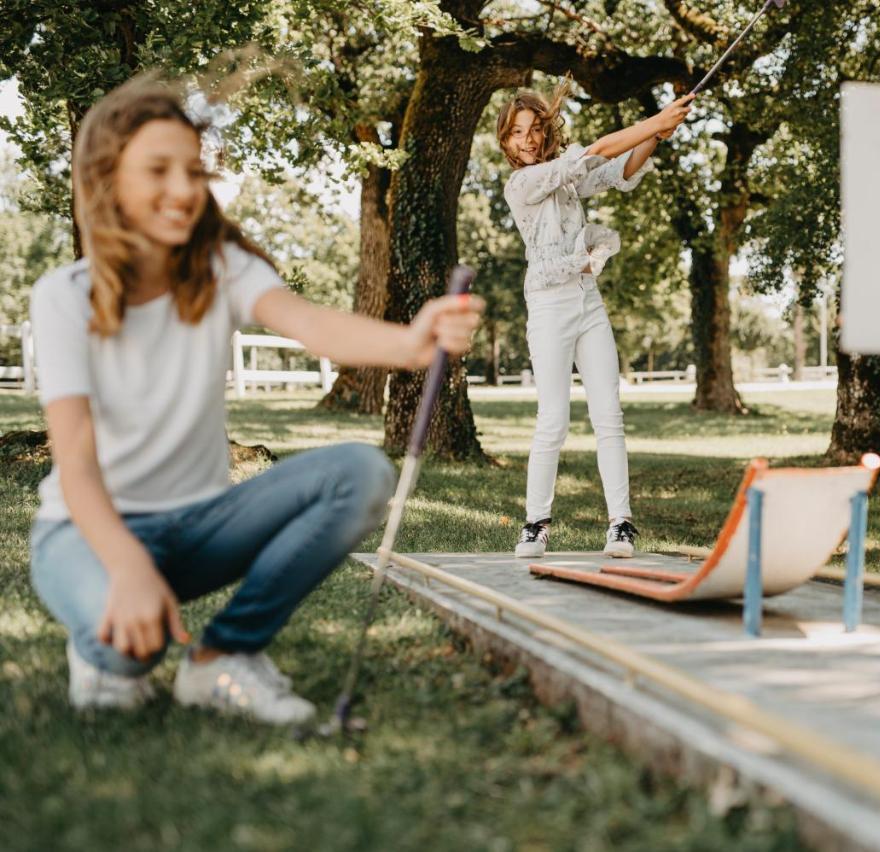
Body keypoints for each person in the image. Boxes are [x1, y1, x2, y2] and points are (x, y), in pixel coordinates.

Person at [28, 77, 484, 725]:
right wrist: (127, 568)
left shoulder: (223, 267)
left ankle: (224, 656)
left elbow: (311, 324)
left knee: (358, 474)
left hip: (198, 525)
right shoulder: (63, 295)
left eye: (192, 171)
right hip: (84, 533)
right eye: (158, 170)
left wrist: (412, 342)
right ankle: (97, 648)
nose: (184, 190)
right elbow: (73, 461)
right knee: (129, 652)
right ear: (108, 178)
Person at [497, 82, 693, 559]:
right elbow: (595, 151)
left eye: (535, 130)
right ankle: (535, 524)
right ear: (505, 141)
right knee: (554, 420)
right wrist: (653, 121)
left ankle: (620, 524)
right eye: (517, 132)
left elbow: (614, 169)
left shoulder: (565, 180)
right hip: (548, 308)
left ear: (546, 134)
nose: (526, 139)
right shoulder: (522, 184)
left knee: (609, 415)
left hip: (588, 304)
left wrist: (660, 134)